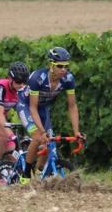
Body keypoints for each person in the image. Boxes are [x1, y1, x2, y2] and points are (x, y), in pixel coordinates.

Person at [19, 47, 83, 179]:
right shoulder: (37, 78)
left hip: (43, 108)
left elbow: (72, 106)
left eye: (66, 66)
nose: (63, 70)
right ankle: (25, 175)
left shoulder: (68, 79)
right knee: (38, 137)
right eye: (60, 66)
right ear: (51, 65)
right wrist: (41, 131)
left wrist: (76, 131)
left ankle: (38, 173)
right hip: (26, 106)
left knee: (49, 142)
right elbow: (32, 108)